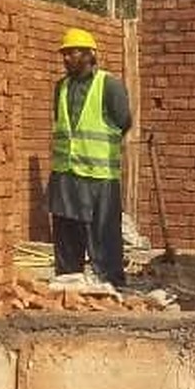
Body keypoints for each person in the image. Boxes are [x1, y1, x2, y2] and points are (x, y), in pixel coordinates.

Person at [47, 27, 132, 287]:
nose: (66, 58)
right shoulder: (61, 87)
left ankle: (110, 281)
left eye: (71, 52)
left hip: (99, 175)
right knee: (66, 232)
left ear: (89, 54)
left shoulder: (109, 85)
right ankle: (68, 280)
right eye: (63, 54)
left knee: (103, 234)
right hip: (65, 172)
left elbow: (124, 121)